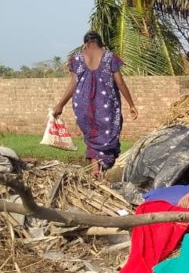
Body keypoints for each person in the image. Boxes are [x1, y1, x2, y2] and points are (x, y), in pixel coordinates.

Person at [52, 30, 138, 175]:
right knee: (108, 133)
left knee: (92, 135)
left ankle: (95, 169)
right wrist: (131, 104)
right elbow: (120, 82)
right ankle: (104, 169)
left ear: (85, 44)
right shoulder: (109, 57)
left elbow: (73, 83)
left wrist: (60, 104)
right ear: (101, 43)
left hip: (82, 104)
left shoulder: (77, 58)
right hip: (106, 104)